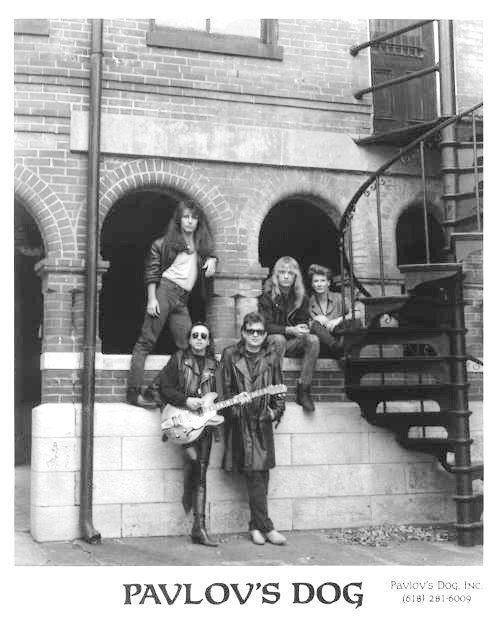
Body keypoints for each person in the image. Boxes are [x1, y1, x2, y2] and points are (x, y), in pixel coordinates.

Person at [126, 199, 217, 408]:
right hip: (165, 291)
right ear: (179, 220)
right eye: (186, 217)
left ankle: (158, 390)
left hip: (182, 299)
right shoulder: (163, 243)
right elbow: (152, 273)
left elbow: (208, 257)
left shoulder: (200, 244)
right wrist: (152, 299)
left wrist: (213, 259)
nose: (190, 221)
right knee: (146, 341)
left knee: (189, 346)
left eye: (194, 218)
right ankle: (133, 392)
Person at [221, 312, 287, 546]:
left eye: (260, 331)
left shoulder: (272, 357)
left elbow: (280, 391)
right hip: (240, 423)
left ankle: (255, 526)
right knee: (254, 474)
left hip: (262, 422)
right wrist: (235, 403)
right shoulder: (230, 355)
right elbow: (222, 390)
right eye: (251, 331)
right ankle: (267, 527)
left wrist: (274, 413)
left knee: (262, 474)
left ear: (266, 334)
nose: (255, 336)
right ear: (243, 332)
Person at [155, 322, 219, 547]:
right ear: (189, 339)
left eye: (204, 336)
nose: (199, 339)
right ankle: (196, 523)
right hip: (183, 423)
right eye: (195, 335)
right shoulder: (178, 360)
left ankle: (199, 527)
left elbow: (221, 393)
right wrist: (186, 400)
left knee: (201, 471)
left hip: (206, 425)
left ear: (209, 341)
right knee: (194, 463)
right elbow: (164, 387)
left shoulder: (215, 365)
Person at [258, 256, 319, 413]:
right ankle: (275, 391)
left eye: (290, 273)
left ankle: (303, 389)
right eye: (282, 272)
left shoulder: (301, 298)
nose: (286, 276)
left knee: (313, 340)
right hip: (271, 344)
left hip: (291, 343)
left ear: (295, 276)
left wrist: (303, 329)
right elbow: (266, 326)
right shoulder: (267, 296)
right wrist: (290, 330)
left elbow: (302, 321)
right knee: (279, 339)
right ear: (276, 275)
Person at [307, 264, 361, 359]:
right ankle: (338, 348)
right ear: (312, 284)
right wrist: (316, 320)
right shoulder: (308, 302)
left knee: (355, 321)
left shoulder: (339, 298)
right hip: (320, 346)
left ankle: (339, 348)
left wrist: (338, 320)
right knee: (314, 325)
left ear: (328, 283)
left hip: (338, 339)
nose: (319, 284)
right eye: (316, 281)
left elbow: (358, 313)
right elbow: (304, 326)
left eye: (322, 281)